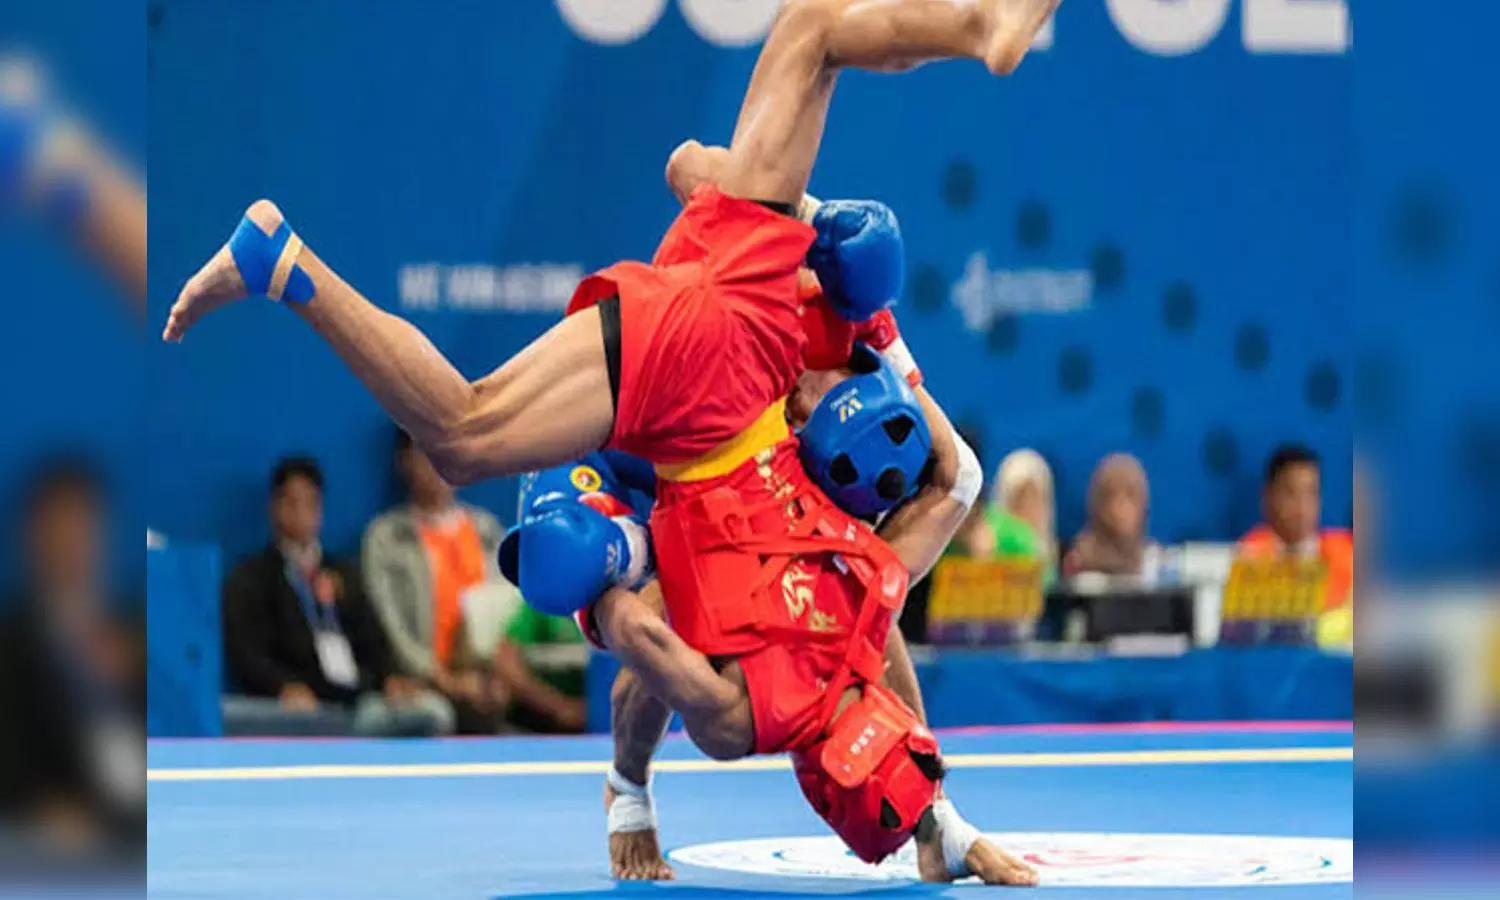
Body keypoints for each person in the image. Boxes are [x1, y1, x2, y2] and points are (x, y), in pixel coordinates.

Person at [165, 0, 1058, 880]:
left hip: (719, 335)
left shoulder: (864, 598)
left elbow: (952, 482)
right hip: (698, 403)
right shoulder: (745, 713)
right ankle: (281, 263)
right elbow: (636, 633)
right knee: (465, 435)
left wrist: (875, 330)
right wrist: (601, 590)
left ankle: (978, 26)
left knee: (809, 29)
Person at [221, 456, 453, 737]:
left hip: (359, 701)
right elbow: (247, 653)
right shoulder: (251, 579)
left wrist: (391, 677)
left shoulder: (345, 574)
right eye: (292, 502)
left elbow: (374, 638)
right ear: (275, 508)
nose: (301, 513)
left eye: (310, 503)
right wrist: (282, 687)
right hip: (298, 704)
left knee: (433, 712)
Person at [363, 430, 507, 733]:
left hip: (487, 679)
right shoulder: (387, 537)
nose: (438, 464)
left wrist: (498, 676)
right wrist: (442, 679)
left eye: (449, 451)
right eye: (427, 452)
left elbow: (507, 611)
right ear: (404, 462)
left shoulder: (488, 531)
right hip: (422, 682)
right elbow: (390, 624)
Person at [1237, 443, 1353, 612]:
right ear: (1268, 497)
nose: (1301, 507)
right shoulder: (1249, 556)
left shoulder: (1347, 554)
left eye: (1311, 493)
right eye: (1291, 493)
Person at [1063, 453, 1156, 578]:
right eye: (1111, 495)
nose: (1121, 506)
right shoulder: (1079, 561)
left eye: (1130, 495)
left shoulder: (1152, 560)